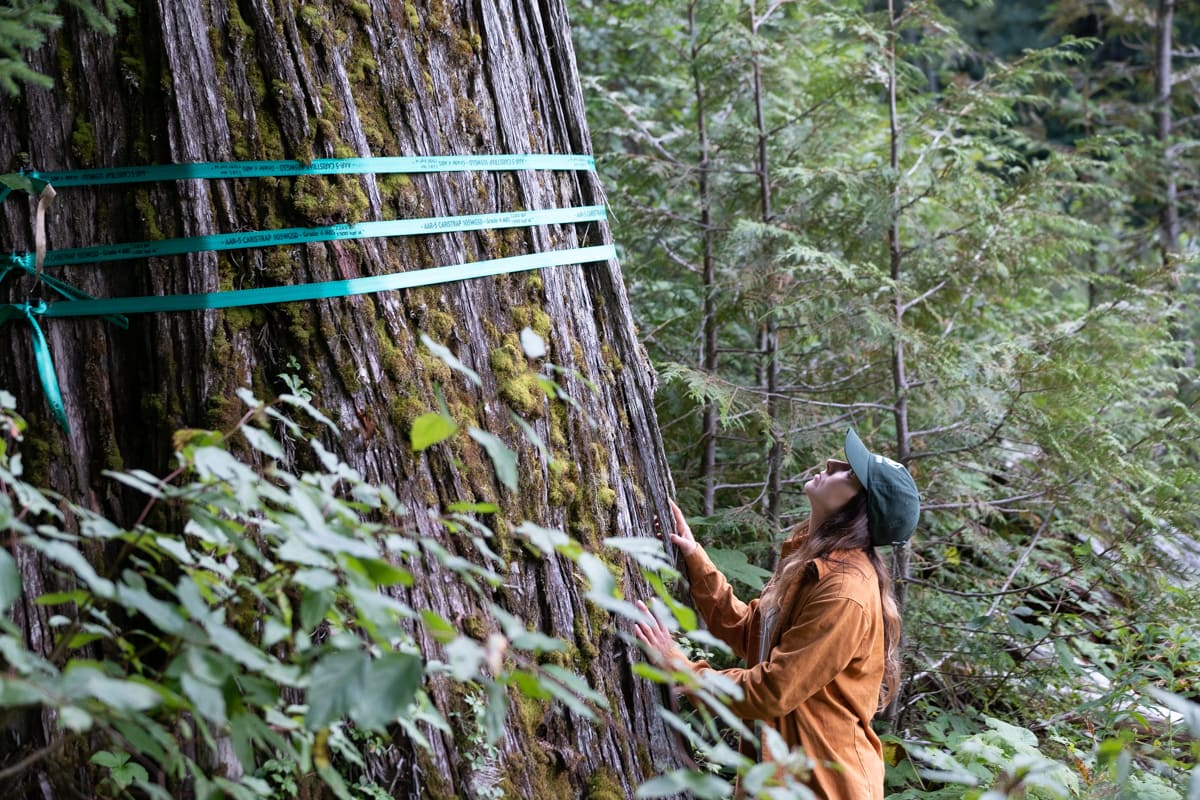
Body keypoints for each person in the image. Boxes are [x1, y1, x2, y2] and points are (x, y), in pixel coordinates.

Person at [634, 428, 920, 800]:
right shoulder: (813, 565)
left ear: (860, 510)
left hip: (823, 787)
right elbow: (749, 633)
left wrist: (686, 671)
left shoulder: (845, 592)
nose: (832, 464)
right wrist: (694, 559)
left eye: (849, 474)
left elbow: (773, 690)